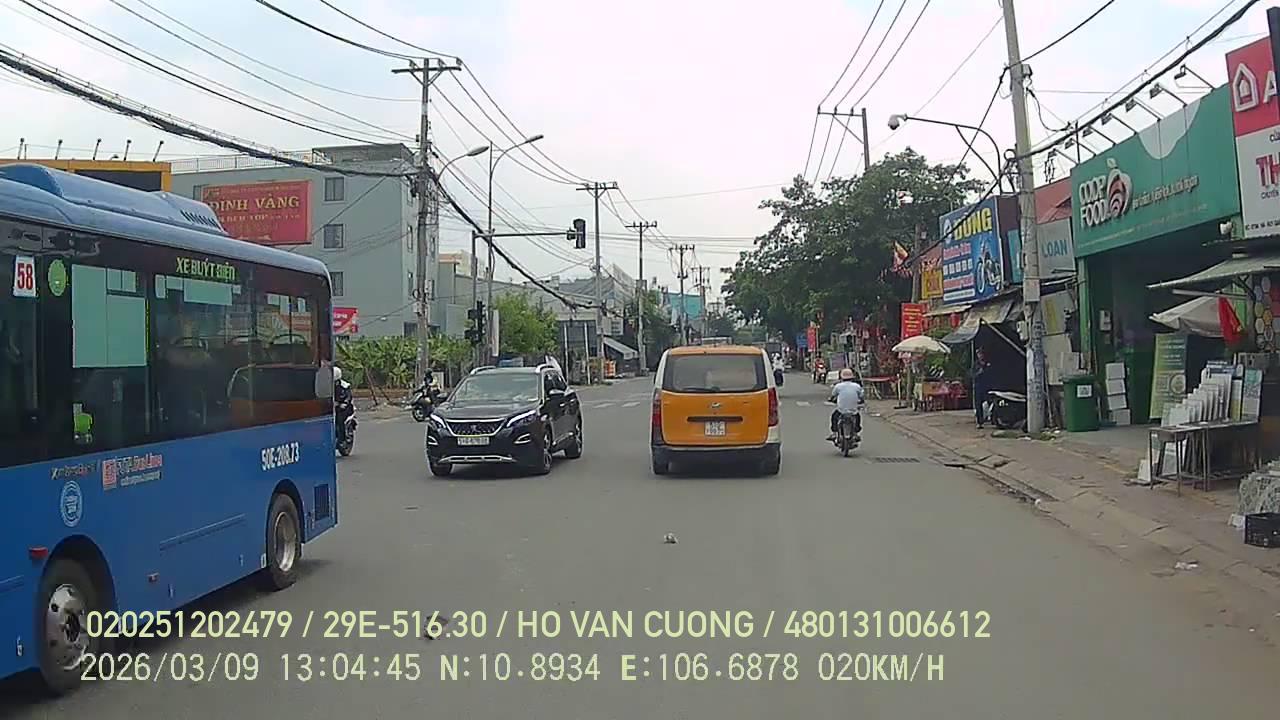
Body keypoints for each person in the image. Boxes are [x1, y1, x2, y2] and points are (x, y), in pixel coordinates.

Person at [826, 367, 865, 441]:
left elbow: (833, 395)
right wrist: (861, 401)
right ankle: (856, 433)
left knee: (834, 416)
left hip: (841, 410)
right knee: (857, 417)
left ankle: (834, 433)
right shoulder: (857, 386)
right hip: (853, 410)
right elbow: (861, 396)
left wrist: (831, 399)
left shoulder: (838, 386)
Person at [972, 348, 991, 428]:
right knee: (978, 404)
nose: (980, 355)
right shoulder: (976, 364)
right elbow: (972, 375)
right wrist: (979, 373)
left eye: (982, 354)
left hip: (987, 385)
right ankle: (980, 422)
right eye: (979, 354)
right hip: (978, 386)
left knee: (989, 401)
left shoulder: (987, 363)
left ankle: (991, 417)